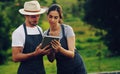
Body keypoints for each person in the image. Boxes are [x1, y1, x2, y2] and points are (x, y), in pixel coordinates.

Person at [44, 4, 87, 74]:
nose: (52, 20)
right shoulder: (46, 34)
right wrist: (51, 51)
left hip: (76, 66)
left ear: (59, 18)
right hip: (62, 68)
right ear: (47, 16)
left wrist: (59, 49)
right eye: (50, 17)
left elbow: (71, 54)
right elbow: (51, 60)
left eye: (56, 17)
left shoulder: (67, 29)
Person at [11, 0, 50, 74]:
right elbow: (15, 57)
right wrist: (34, 54)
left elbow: (40, 50)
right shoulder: (19, 32)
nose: (36, 19)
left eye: (38, 15)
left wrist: (47, 50)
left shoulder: (39, 29)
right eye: (33, 16)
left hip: (40, 71)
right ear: (26, 15)